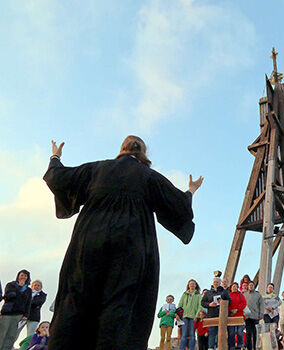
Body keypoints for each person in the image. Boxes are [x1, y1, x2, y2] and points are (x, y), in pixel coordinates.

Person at [43, 137, 203, 349]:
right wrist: (190, 190)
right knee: (122, 303)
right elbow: (179, 205)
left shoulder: (97, 169)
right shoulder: (149, 177)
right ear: (143, 154)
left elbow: (57, 177)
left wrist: (55, 156)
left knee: (78, 295)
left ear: (121, 149)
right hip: (131, 247)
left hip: (89, 242)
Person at [0, 270, 33, 350]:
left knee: (12, 335)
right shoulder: (11, 285)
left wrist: (26, 315)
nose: (23, 277)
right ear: (18, 276)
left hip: (19, 315)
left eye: (25, 276)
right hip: (8, 313)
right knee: (2, 333)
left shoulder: (28, 290)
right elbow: (8, 296)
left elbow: (28, 303)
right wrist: (19, 288)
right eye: (22, 275)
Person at [203, 277, 231, 349]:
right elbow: (202, 302)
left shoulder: (224, 292)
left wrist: (223, 301)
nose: (215, 283)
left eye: (217, 282)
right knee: (212, 332)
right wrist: (209, 304)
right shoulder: (208, 293)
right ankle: (211, 347)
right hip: (212, 315)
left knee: (221, 333)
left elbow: (230, 301)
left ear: (220, 283)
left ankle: (219, 347)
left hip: (221, 314)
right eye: (214, 282)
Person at [179, 279, 203, 350]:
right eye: (190, 284)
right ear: (188, 285)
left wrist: (196, 316)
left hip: (193, 317)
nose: (192, 285)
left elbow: (200, 306)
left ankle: (191, 348)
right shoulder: (184, 294)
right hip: (184, 316)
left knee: (192, 334)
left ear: (196, 285)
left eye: (193, 284)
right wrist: (178, 314)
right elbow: (180, 304)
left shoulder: (198, 295)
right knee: (184, 334)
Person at [243, 281, 263, 350]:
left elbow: (261, 305)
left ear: (254, 286)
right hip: (247, 316)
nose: (251, 286)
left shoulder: (258, 295)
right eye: (250, 285)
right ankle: (249, 348)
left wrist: (261, 314)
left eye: (252, 285)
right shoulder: (244, 295)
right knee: (248, 333)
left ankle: (255, 347)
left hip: (255, 316)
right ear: (248, 286)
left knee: (255, 333)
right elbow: (243, 305)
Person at [228, 282, 247, 350]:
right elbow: (227, 304)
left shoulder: (240, 295)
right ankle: (232, 346)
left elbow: (244, 303)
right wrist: (231, 310)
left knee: (240, 332)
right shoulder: (229, 295)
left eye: (236, 286)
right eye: (233, 286)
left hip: (239, 315)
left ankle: (240, 346)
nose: (235, 288)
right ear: (231, 288)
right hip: (231, 316)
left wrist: (237, 309)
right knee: (231, 333)